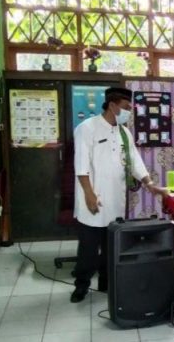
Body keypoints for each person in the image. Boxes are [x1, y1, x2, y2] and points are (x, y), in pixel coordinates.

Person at [71, 87, 168, 303]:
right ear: (112, 105)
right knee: (88, 249)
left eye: (130, 109)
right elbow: (81, 166)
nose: (128, 112)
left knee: (110, 247)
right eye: (125, 108)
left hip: (115, 200)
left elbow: (134, 161)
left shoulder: (124, 132)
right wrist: (88, 194)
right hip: (93, 198)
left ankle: (106, 283)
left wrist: (149, 183)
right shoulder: (87, 129)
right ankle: (81, 286)